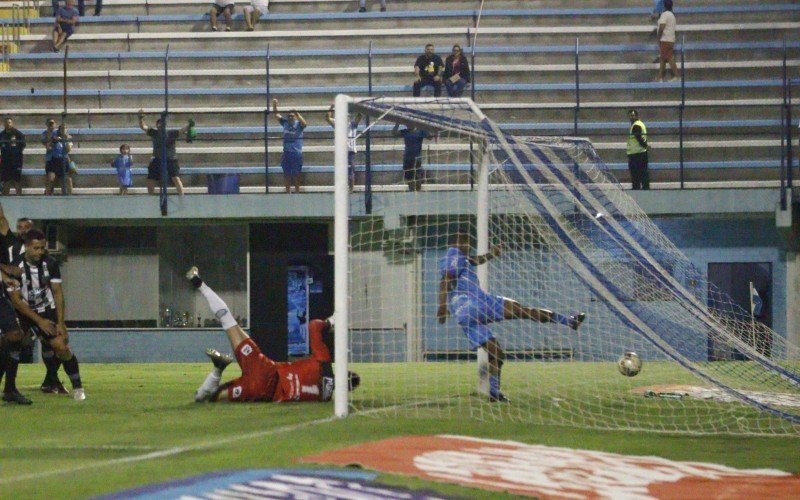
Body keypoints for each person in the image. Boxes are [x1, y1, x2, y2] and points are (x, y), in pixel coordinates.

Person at [437, 233, 585, 402]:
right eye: (466, 243)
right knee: (523, 310)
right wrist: (442, 306)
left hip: (467, 313)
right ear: (457, 243)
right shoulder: (453, 253)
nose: (468, 246)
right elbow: (446, 279)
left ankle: (494, 394)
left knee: (497, 353)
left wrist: (492, 254)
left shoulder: (462, 259)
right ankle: (568, 321)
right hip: (473, 304)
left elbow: (475, 260)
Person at [187, 266, 360, 403]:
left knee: (229, 322)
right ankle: (218, 368)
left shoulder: (324, 362)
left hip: (266, 370)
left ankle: (199, 284)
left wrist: (331, 322)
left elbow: (313, 326)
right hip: (262, 391)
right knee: (213, 396)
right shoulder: (325, 398)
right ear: (346, 390)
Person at [8, 229, 85, 401]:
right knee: (11, 344)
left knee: (61, 347)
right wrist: (39, 322)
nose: (40, 252)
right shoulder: (15, 267)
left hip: (46, 310)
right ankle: (10, 388)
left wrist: (61, 322)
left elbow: (57, 292)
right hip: (24, 313)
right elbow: (17, 301)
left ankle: (78, 387)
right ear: (26, 247)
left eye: (42, 248)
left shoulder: (50, 263)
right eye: (36, 248)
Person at [0, 205, 63, 395]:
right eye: (20, 227)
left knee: (56, 341)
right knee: (12, 339)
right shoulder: (9, 242)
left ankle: (51, 380)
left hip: (36, 301)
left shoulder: (38, 252)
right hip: (13, 298)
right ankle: (9, 385)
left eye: (26, 227)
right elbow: (2, 220)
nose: (23, 230)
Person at [138, 109, 187, 196]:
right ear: (157, 125)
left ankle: (182, 195)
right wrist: (140, 118)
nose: (160, 125)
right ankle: (150, 195)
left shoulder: (171, 133)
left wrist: (189, 126)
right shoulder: (154, 133)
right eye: (159, 123)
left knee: (175, 177)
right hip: (157, 158)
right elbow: (143, 127)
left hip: (171, 159)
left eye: (162, 123)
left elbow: (181, 131)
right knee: (150, 178)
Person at [272, 98, 307, 194]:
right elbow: (276, 114)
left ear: (295, 117)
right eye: (289, 116)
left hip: (296, 153)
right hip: (286, 152)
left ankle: (297, 192)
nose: (290, 118)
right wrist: (275, 105)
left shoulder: (298, 125)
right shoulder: (285, 123)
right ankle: (288, 192)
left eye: (292, 116)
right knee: (286, 174)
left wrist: (297, 113)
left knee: (296, 175)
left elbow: (305, 123)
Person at [326, 105, 361, 191]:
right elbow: (327, 118)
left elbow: (360, 116)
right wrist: (331, 108)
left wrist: (357, 106)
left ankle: (351, 189)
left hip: (350, 151)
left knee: (350, 171)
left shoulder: (353, 124)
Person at [393, 122, 430, 192]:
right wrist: (397, 123)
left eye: (410, 123)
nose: (408, 125)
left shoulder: (420, 131)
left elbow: (430, 137)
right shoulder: (405, 132)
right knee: (409, 178)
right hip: (407, 158)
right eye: (407, 123)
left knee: (417, 177)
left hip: (417, 158)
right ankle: (412, 191)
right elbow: (394, 133)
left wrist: (426, 126)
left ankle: (418, 191)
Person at [44, 123, 77, 196]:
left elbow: (68, 150)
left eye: (65, 129)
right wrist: (54, 141)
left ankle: (69, 195)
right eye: (62, 129)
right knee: (50, 179)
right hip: (53, 160)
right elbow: (48, 147)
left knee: (68, 179)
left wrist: (65, 140)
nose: (63, 130)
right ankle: (48, 194)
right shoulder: (54, 137)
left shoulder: (68, 138)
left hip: (63, 159)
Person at [0, 117, 26, 196]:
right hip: (5, 161)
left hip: (16, 161)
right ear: (4, 124)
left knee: (17, 180)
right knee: (6, 180)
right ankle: (5, 199)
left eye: (9, 122)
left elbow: (23, 144)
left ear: (12, 123)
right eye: (6, 122)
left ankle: (19, 198)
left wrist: (16, 153)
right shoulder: (2, 135)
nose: (8, 124)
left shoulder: (17, 133)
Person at [626, 109, 650, 190]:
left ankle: (638, 190)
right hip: (639, 153)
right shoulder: (639, 124)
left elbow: (639, 137)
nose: (631, 117)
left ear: (636, 116)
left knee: (636, 175)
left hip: (637, 154)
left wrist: (645, 146)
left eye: (633, 115)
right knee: (643, 173)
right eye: (630, 115)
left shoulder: (636, 125)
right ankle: (645, 188)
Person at [656, 0, 679, 82]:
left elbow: (662, 27)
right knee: (663, 58)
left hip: (665, 39)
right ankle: (660, 77)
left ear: (664, 6)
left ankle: (677, 76)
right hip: (671, 39)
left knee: (669, 58)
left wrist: (658, 37)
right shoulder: (672, 15)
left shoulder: (665, 15)